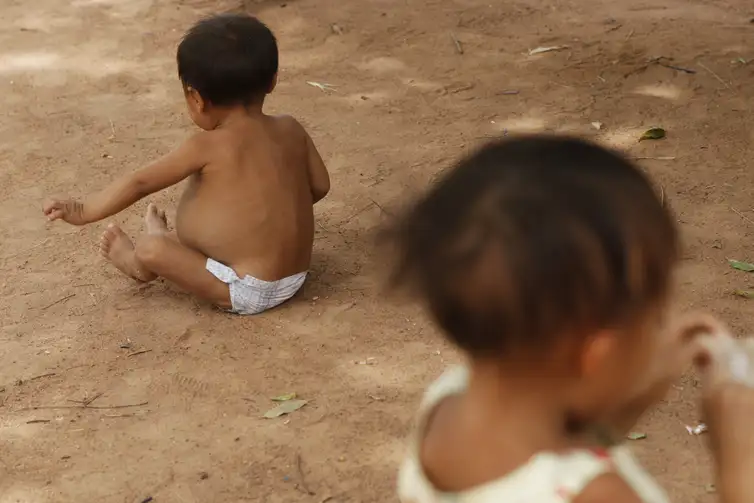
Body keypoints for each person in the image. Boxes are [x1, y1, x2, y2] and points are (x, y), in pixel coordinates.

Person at [386, 136, 754, 503]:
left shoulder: (449, 401)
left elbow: (553, 445)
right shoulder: (599, 495)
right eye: (654, 320)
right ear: (596, 354)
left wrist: (631, 403)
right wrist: (740, 465)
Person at [43, 14, 330, 315]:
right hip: (296, 275)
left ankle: (137, 262)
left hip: (247, 289)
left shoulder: (205, 145)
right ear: (273, 80)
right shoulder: (291, 128)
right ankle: (175, 239)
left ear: (196, 98)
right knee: (210, 221)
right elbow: (321, 185)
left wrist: (83, 210)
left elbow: (140, 183)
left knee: (152, 249)